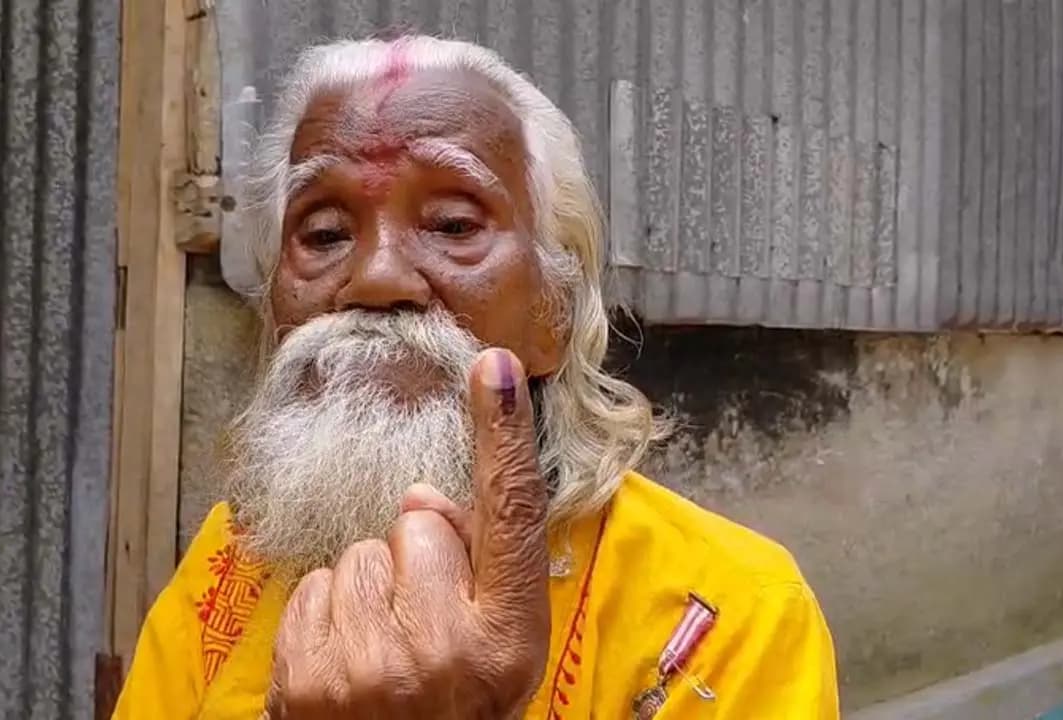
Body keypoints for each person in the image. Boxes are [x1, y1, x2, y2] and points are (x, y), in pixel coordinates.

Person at [114, 35, 839, 719]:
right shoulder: (231, 562)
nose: (376, 277)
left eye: (454, 226)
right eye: (326, 234)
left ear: (553, 315)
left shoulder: (724, 614)